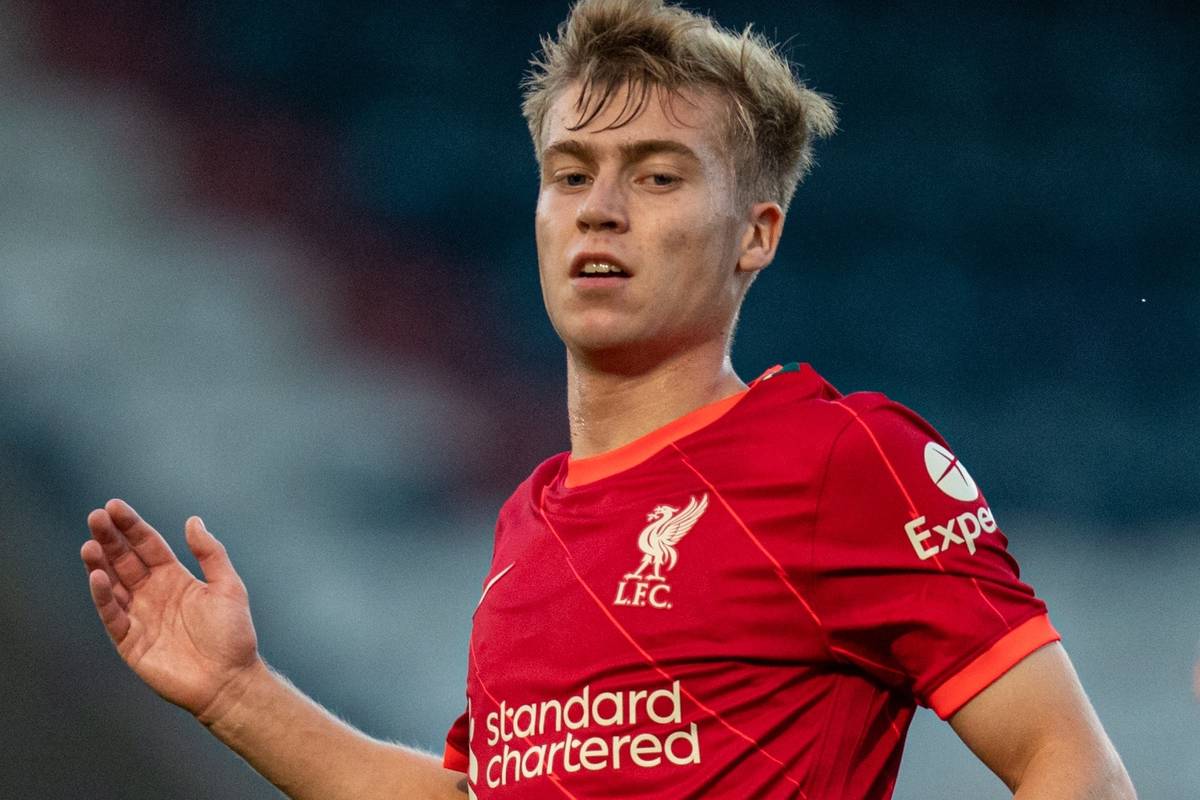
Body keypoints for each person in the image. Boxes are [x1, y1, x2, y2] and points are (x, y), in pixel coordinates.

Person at [80, 1, 1137, 797]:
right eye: (571, 171)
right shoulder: (527, 523)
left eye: (659, 175)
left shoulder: (840, 456)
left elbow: (1069, 762)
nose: (601, 209)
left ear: (757, 232)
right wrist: (237, 692)